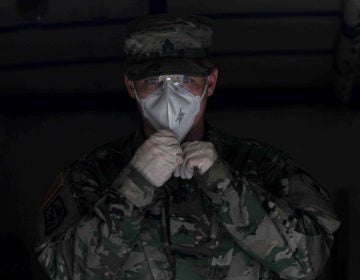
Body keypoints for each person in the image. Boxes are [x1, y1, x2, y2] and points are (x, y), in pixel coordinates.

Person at [36, 14, 341, 280]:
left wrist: (224, 183)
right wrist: (134, 186)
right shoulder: (92, 174)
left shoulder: (262, 165)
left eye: (184, 80)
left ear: (210, 83)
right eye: (153, 81)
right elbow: (65, 271)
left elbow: (307, 263)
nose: (170, 95)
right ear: (131, 87)